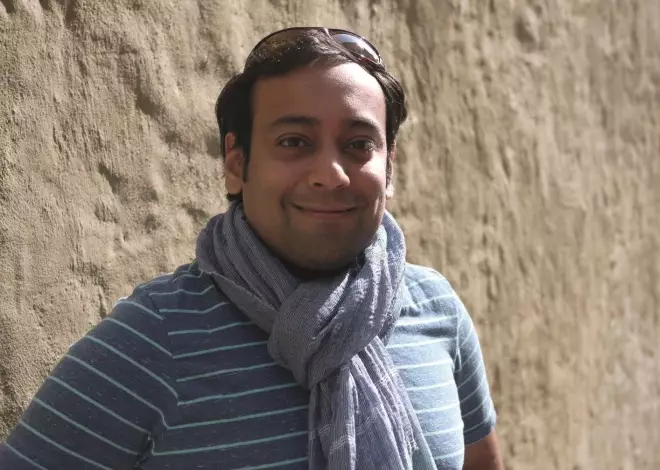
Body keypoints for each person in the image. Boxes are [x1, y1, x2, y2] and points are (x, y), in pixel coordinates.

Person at [0, 27, 503, 470]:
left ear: (388, 168)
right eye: (294, 142)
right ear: (236, 164)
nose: (331, 175)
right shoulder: (154, 339)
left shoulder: (435, 308)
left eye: (357, 145)